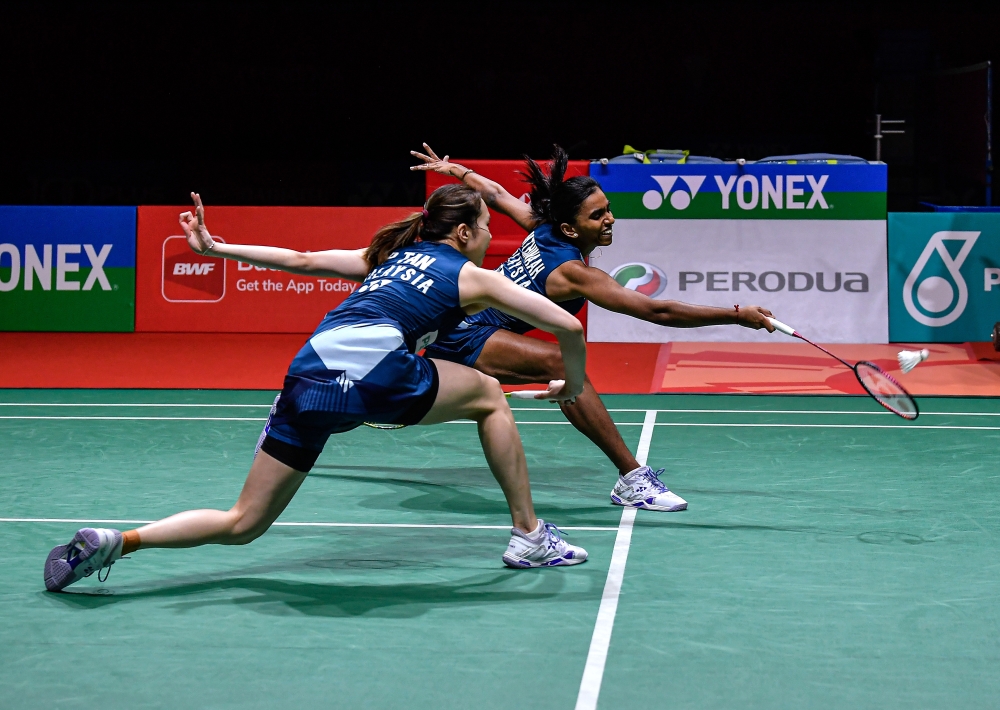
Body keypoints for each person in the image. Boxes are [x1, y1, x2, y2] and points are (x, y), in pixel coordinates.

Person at [44, 185, 591, 593]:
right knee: (489, 395)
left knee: (243, 523)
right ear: (465, 232)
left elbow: (301, 261)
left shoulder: (386, 259)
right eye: (488, 228)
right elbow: (568, 326)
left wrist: (216, 249)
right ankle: (529, 536)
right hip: (375, 371)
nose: (495, 236)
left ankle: (121, 540)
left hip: (307, 373)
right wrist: (568, 385)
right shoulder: (472, 275)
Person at [411, 144, 776, 513]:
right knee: (562, 365)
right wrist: (735, 314)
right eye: (597, 215)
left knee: (560, 366)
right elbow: (658, 311)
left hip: (465, 324)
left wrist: (456, 169)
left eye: (608, 209)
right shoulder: (573, 274)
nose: (610, 219)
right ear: (570, 228)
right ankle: (632, 479)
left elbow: (496, 194)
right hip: (465, 331)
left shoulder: (544, 228)